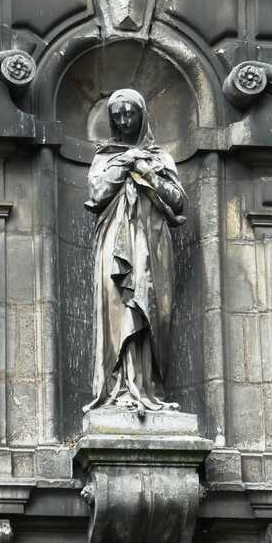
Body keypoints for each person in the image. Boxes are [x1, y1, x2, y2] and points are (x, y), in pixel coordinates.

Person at [83, 88, 186, 414]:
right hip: (115, 244)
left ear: (142, 117)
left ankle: (148, 388)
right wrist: (125, 164)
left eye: (130, 114)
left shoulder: (160, 158)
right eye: (118, 116)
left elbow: (177, 201)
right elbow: (97, 194)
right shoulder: (105, 157)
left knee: (152, 311)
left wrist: (148, 171)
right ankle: (118, 390)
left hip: (152, 244)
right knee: (120, 310)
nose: (125, 121)